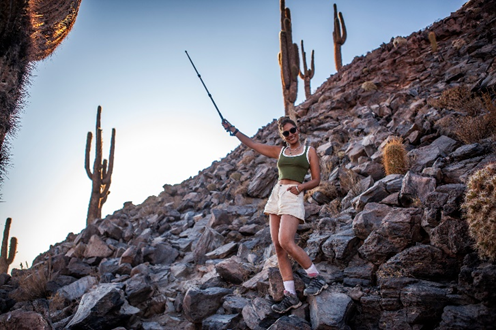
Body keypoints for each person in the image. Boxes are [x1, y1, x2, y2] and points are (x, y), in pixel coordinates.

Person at [222, 116, 328, 313]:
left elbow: (316, 179)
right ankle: (290, 295)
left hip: (293, 195)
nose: (291, 134)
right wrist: (234, 130)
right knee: (278, 247)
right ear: (283, 136)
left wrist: (300, 187)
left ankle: (315, 277)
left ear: (298, 129)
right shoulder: (280, 152)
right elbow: (253, 144)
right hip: (276, 196)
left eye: (293, 129)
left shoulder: (308, 151)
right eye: (286, 133)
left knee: (286, 240)